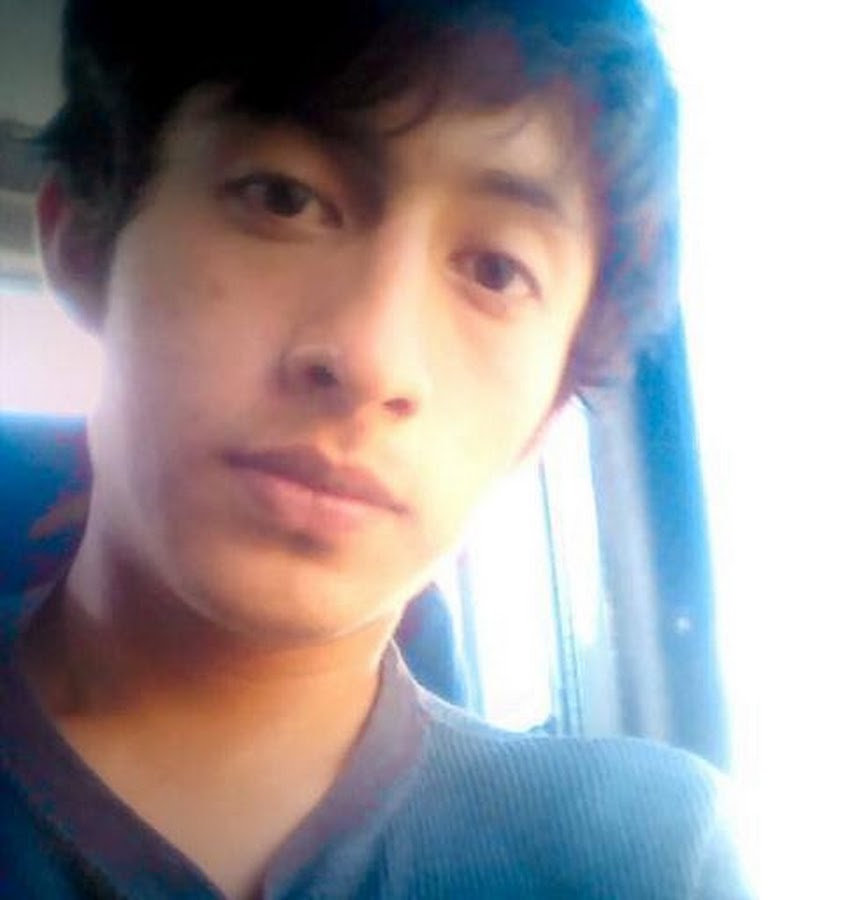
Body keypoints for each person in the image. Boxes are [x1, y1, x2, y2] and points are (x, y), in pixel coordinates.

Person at [0, 0, 751, 896]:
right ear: (85, 237)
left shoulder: (639, 856)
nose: (372, 359)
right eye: (284, 197)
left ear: (544, 420)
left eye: (497, 271)